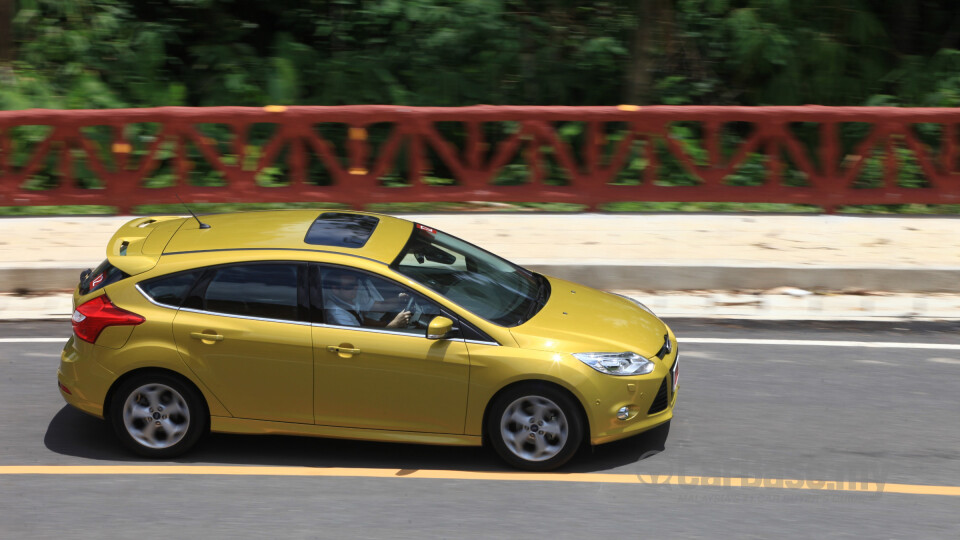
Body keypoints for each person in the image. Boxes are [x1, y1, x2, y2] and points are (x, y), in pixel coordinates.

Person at [323, 270, 411, 328]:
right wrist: (393, 325)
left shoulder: (350, 299)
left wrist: (400, 299)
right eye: (349, 286)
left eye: (356, 284)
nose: (355, 288)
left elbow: (379, 306)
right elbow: (360, 342)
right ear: (335, 289)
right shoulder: (338, 315)